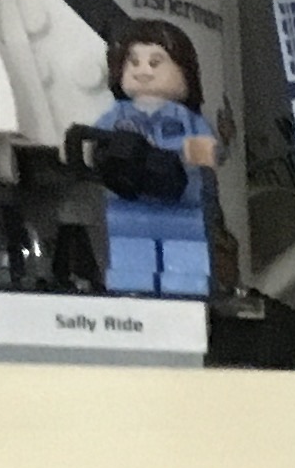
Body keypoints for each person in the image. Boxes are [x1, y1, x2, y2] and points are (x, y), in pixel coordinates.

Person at [91, 24, 217, 297]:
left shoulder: (186, 119)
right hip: (128, 203)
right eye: (134, 62)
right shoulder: (118, 115)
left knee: (184, 248)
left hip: (181, 204)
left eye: (155, 63)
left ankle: (186, 286)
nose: (143, 71)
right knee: (130, 249)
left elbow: (208, 152)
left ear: (184, 71)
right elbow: (94, 141)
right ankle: (132, 287)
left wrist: (189, 155)